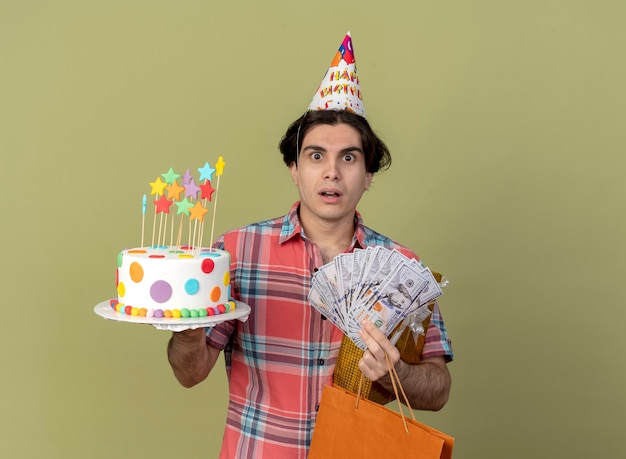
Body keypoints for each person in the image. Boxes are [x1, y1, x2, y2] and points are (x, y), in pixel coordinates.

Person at [167, 33, 453, 458]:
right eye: (316, 156)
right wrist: (188, 331)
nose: (332, 172)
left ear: (369, 174)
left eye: (349, 158)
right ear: (294, 170)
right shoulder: (234, 253)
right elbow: (190, 374)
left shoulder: (402, 268)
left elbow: (438, 389)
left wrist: (398, 374)